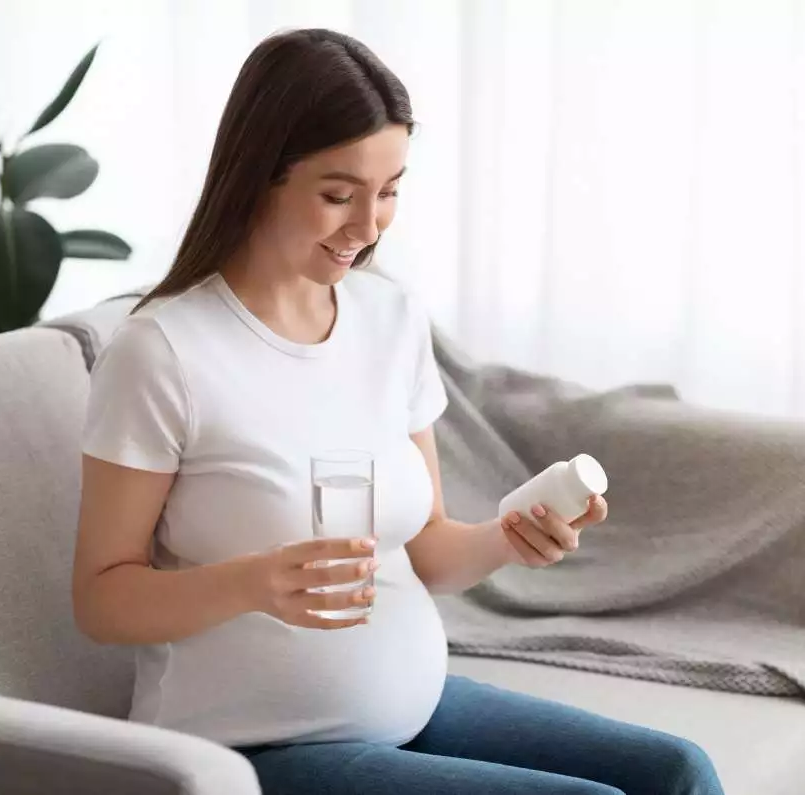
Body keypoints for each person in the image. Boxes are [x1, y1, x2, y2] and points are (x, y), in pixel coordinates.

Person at [72, 28, 724, 795]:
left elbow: (430, 549)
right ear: (258, 175)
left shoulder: (390, 318)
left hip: (410, 712)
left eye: (389, 191)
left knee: (679, 772)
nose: (370, 225)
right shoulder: (164, 351)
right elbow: (101, 597)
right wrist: (252, 583)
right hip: (254, 747)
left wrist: (510, 540)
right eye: (338, 194)